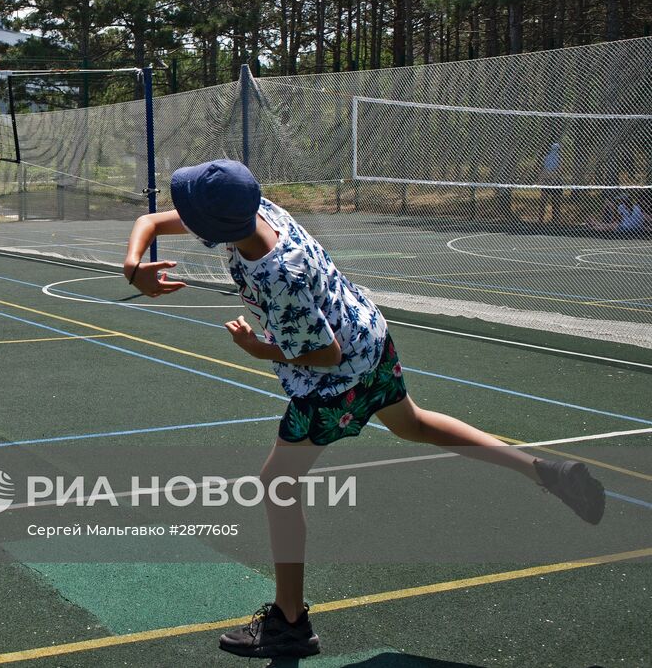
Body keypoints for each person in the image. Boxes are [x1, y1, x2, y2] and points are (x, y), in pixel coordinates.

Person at [121, 159, 606, 659]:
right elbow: (150, 222)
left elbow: (323, 354)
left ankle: (289, 621)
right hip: (368, 337)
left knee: (277, 483)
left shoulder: (274, 272)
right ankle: (544, 470)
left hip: (335, 380)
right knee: (415, 424)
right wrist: (133, 266)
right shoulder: (258, 210)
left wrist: (261, 349)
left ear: (210, 225)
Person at [539, 140, 562, 224]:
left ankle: (553, 220)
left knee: (554, 202)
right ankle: (544, 220)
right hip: (552, 181)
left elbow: (558, 170)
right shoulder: (549, 158)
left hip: (553, 182)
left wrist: (544, 180)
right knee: (553, 202)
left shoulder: (555, 158)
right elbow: (545, 170)